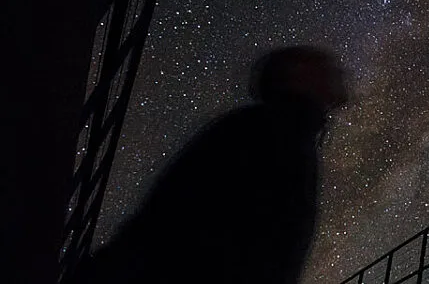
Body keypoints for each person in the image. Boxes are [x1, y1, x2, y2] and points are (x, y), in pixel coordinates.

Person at [71, 46, 350, 284]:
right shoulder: (270, 134)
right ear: (298, 73)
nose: (338, 70)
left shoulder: (275, 132)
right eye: (325, 64)